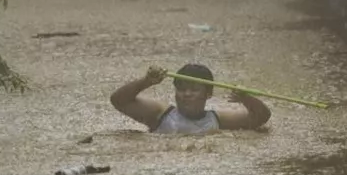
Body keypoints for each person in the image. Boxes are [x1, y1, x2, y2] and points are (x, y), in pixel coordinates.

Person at [110, 63, 272, 134]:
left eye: (194, 90)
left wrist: (247, 99)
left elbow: (260, 118)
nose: (186, 94)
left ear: (208, 94)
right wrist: (145, 82)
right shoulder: (160, 113)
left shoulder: (218, 119)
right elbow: (118, 101)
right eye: (181, 88)